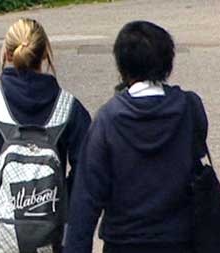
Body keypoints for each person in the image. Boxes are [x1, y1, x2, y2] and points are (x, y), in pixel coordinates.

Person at [64, 21, 209, 253]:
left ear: (122, 66)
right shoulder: (190, 108)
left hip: (124, 241)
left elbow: (86, 199)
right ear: (167, 63)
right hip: (180, 239)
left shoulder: (108, 119)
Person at [0, 18, 91, 253]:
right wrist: (62, 191)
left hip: (1, 231)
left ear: (6, 54)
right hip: (52, 230)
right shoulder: (69, 107)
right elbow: (88, 167)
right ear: (46, 53)